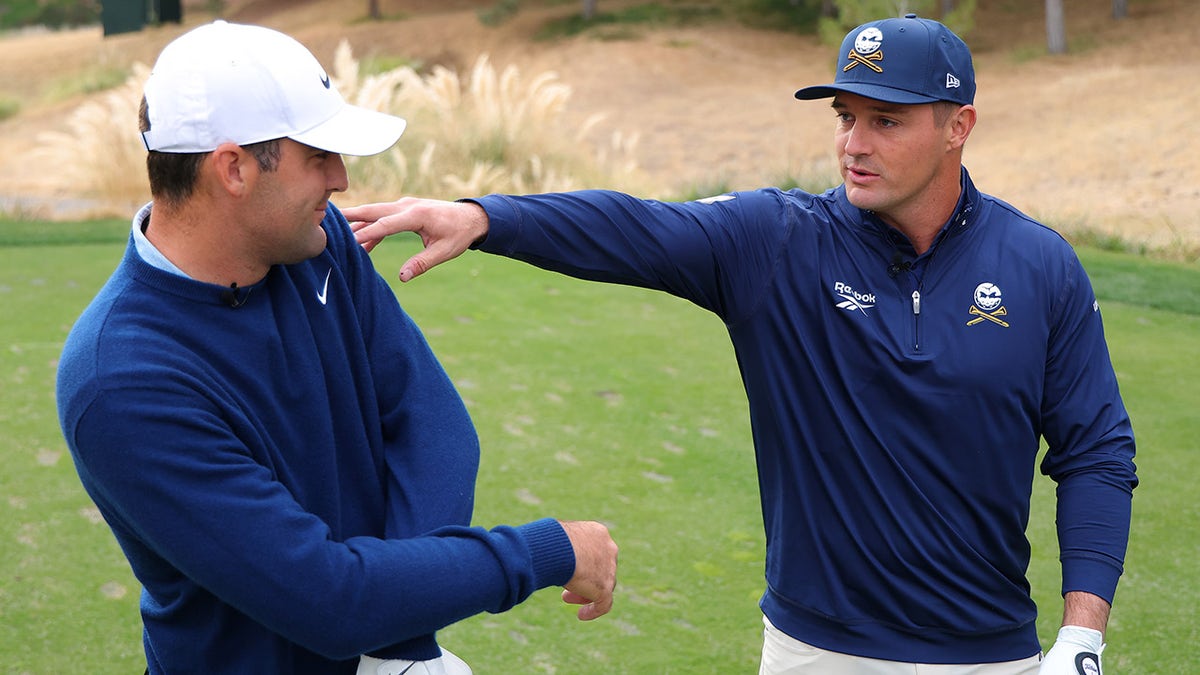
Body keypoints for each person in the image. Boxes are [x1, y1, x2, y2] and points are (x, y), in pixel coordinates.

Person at [344, 14, 1137, 675]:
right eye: (845, 116)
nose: (854, 143)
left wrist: (1080, 634)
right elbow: (637, 226)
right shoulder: (781, 240)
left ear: (958, 125)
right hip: (813, 653)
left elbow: (1096, 449)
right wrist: (486, 217)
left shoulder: (1040, 266)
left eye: (885, 120)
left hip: (993, 655)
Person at [55, 20, 618, 675]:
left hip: (380, 649)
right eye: (318, 155)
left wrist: (395, 638)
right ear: (232, 168)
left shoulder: (318, 246)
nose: (343, 178)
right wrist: (546, 551)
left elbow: (431, 422)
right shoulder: (123, 380)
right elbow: (325, 597)